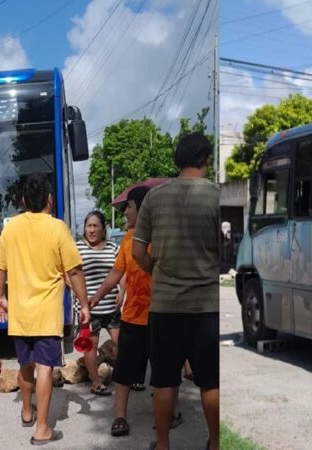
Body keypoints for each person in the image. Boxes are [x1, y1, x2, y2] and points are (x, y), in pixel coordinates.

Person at [131, 131, 220, 450]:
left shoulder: (155, 197)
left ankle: (164, 444)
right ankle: (215, 442)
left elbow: (137, 252)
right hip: (206, 308)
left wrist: (157, 270)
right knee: (210, 380)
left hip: (165, 307)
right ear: (206, 159)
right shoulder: (215, 196)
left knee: (165, 380)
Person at [0, 173, 90, 445]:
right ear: (49, 199)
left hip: (21, 314)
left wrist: (1, 296)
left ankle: (26, 412)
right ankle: (43, 428)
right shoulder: (57, 228)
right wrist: (84, 304)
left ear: (23, 200)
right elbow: (75, 269)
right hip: (46, 314)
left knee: (25, 365)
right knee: (45, 367)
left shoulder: (11, 228)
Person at [90, 186, 155, 437]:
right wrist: (95, 297)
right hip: (132, 317)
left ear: (142, 208)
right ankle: (120, 417)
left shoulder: (159, 237)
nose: (125, 212)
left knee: (163, 372)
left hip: (160, 315)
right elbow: (116, 274)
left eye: (129, 206)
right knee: (125, 371)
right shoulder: (127, 240)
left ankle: (169, 414)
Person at [75, 211, 121, 396]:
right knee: (90, 346)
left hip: (111, 307)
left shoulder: (113, 247)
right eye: (89, 226)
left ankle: (122, 377)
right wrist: (78, 296)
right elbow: (67, 274)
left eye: (96, 226)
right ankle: (95, 382)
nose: (92, 230)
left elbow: (121, 270)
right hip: (89, 310)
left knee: (120, 343)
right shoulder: (76, 248)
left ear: (103, 229)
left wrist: (122, 292)